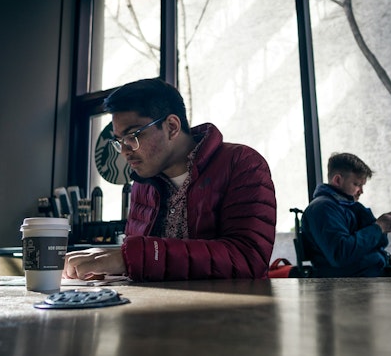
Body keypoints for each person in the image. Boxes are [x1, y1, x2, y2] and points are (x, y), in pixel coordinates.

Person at [63, 78, 277, 282]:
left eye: (133, 136)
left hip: (228, 314)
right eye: (119, 141)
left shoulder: (241, 163)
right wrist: (106, 267)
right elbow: (137, 265)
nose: (124, 151)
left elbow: (248, 261)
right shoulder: (142, 184)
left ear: (172, 127)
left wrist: (133, 258)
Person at [301, 152, 391, 277]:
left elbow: (358, 250)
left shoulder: (344, 207)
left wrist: (388, 257)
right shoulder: (323, 209)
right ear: (337, 180)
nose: (361, 191)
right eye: (357, 184)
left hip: (366, 278)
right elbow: (341, 254)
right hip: (349, 286)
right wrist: (378, 227)